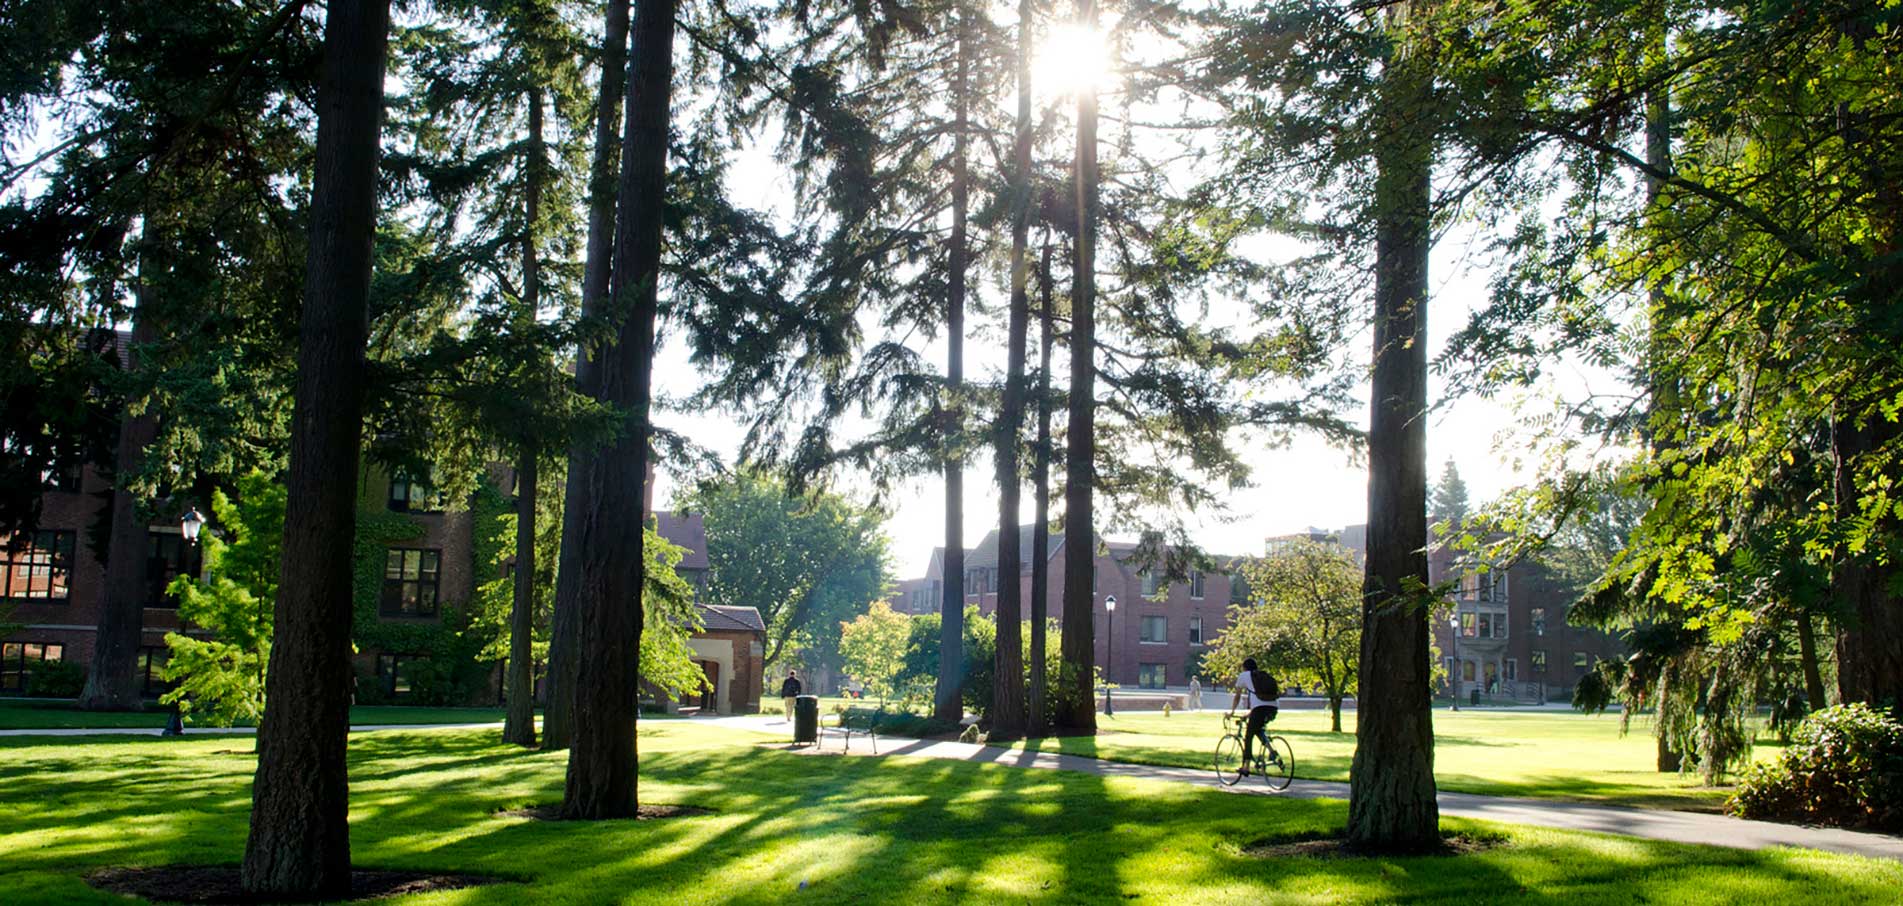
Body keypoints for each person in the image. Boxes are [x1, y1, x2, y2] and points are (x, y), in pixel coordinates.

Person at [1228, 657, 1280, 774]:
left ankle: (1246, 767)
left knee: (1249, 735)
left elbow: (1237, 696)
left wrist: (1232, 711)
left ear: (1244, 667)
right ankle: (1272, 751)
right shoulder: (1261, 677)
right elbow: (1259, 702)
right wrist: (1248, 715)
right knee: (1257, 728)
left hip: (1259, 709)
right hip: (1273, 707)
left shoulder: (1244, 675)